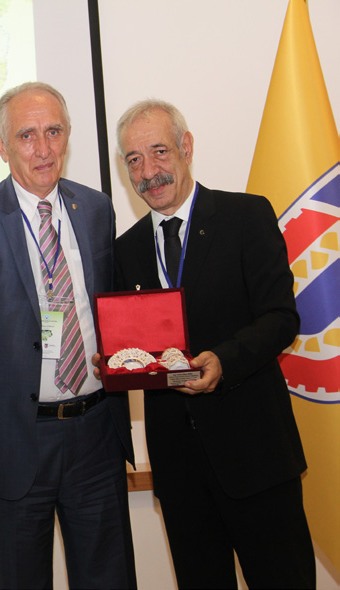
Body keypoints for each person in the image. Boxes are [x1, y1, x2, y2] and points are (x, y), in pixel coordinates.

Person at [0, 82, 136, 589]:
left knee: (110, 579)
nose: (43, 149)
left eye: (53, 132)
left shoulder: (96, 211)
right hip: (13, 444)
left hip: (95, 435)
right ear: (2, 146)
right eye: (26, 136)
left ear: (68, 135)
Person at [111, 99, 314, 588]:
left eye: (159, 151)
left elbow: (281, 318)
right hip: (180, 468)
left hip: (256, 456)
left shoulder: (246, 216)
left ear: (186, 147)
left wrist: (224, 359)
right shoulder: (126, 249)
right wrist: (115, 360)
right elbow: (136, 343)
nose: (148, 171)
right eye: (134, 159)